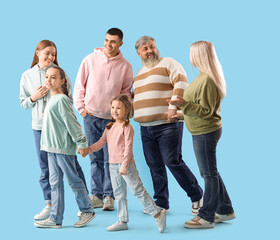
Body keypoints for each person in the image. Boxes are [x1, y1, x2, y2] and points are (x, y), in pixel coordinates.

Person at [133, 36, 203, 215]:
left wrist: (173, 108)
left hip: (167, 124)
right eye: (145, 49)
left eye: (152, 47)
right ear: (139, 53)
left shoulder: (169, 63)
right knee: (154, 165)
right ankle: (161, 203)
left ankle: (197, 196)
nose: (150, 51)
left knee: (172, 161)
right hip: (145, 128)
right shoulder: (139, 74)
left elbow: (181, 84)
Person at [168, 41, 235, 229]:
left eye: (192, 53)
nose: (190, 56)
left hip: (205, 132)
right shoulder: (203, 77)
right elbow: (201, 108)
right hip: (203, 129)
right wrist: (181, 115)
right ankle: (225, 209)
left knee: (208, 174)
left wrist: (182, 104)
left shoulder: (206, 80)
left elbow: (205, 111)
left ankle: (206, 217)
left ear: (199, 55)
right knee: (211, 172)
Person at [19, 40, 88, 221]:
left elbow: (68, 101)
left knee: (72, 167)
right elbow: (23, 103)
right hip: (39, 129)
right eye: (47, 53)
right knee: (45, 169)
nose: (51, 57)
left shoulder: (59, 74)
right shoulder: (27, 75)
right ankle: (49, 204)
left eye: (54, 54)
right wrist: (34, 97)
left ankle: (85, 205)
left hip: (59, 129)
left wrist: (52, 112)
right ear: (37, 53)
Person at [79, 95, 166, 233]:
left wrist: (125, 165)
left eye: (118, 108)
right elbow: (101, 143)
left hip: (126, 165)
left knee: (138, 190)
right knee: (119, 194)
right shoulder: (109, 127)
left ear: (126, 110)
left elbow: (128, 148)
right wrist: (88, 150)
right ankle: (122, 220)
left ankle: (157, 213)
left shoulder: (127, 128)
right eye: (113, 107)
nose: (115, 110)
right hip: (112, 165)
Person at [74, 28, 133, 210]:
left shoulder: (125, 66)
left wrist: (121, 117)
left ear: (120, 44)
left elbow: (125, 94)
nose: (109, 44)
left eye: (113, 42)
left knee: (111, 159)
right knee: (95, 158)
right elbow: (79, 85)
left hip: (112, 120)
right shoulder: (89, 60)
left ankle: (109, 196)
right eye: (107, 40)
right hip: (91, 117)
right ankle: (96, 195)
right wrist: (82, 109)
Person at [34, 66, 96, 228]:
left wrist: (81, 142)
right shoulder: (51, 99)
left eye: (53, 77)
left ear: (62, 81)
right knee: (55, 184)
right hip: (51, 149)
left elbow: (72, 124)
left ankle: (87, 211)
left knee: (73, 181)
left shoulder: (62, 99)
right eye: (47, 77)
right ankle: (55, 219)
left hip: (62, 148)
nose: (48, 80)